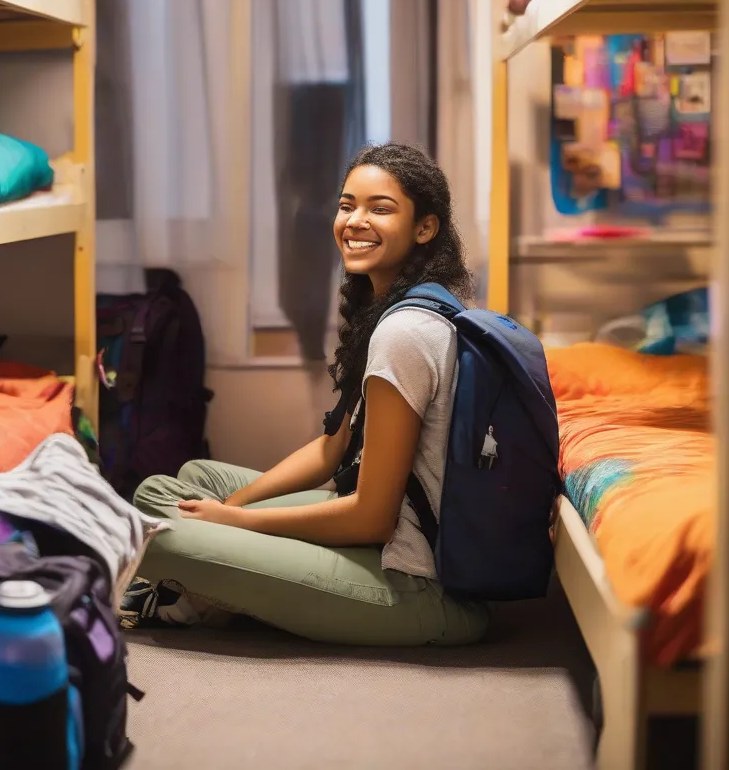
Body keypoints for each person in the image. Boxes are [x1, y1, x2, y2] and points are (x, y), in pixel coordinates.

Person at [129, 143, 488, 646]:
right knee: (187, 483)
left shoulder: (404, 334)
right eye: (347, 205)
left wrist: (232, 524)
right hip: (388, 541)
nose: (355, 221)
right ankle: (212, 592)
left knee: (150, 531)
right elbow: (333, 448)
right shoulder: (398, 309)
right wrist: (233, 509)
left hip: (416, 584)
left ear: (425, 228)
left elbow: (371, 516)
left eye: (380, 209)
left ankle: (204, 594)